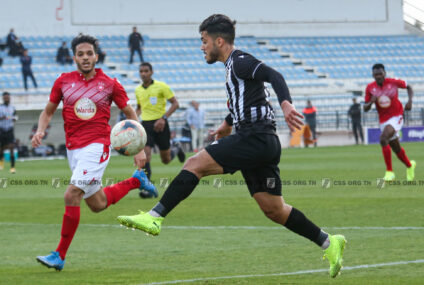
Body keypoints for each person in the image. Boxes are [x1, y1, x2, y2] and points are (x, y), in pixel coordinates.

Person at [117, 14, 346, 278]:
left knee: (194, 164)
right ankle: (329, 242)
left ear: (219, 41)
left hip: (255, 137)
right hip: (263, 142)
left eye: (204, 41)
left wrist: (286, 103)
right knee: (274, 209)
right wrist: (227, 124)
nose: (201, 47)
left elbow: (274, 75)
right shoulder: (231, 69)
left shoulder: (240, 61)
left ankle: (155, 216)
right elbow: (248, 98)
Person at [33, 34, 156, 271]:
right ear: (74, 57)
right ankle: (136, 181)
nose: (86, 57)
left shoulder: (110, 83)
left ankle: (59, 255)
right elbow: (48, 111)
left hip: (98, 146)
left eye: (89, 53)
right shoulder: (63, 81)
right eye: (81, 54)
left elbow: (131, 114)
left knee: (71, 195)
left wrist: (139, 148)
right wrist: (40, 131)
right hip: (74, 150)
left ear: (96, 56)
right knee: (97, 204)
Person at [135, 62, 186, 197]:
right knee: (145, 155)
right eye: (141, 71)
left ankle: (177, 148)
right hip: (145, 124)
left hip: (161, 124)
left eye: (146, 71)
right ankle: (148, 188)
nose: (143, 73)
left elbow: (175, 104)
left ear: (152, 72)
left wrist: (163, 118)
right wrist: (133, 119)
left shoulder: (161, 86)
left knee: (166, 160)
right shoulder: (138, 90)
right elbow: (140, 107)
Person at [364, 63, 416, 181]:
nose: (378, 76)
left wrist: (410, 101)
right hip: (383, 119)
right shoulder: (370, 88)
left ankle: (389, 172)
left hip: (397, 115)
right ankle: (409, 165)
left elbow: (409, 87)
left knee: (383, 139)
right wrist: (371, 102)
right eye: (376, 74)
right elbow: (365, 108)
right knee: (395, 147)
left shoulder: (393, 82)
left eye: (380, 74)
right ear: (373, 75)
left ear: (384, 73)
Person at [0, 92, 17, 173]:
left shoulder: (12, 108)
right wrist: (1, 118)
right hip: (1, 129)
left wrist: (14, 119)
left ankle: (12, 167)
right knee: (1, 148)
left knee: (11, 147)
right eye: (5, 97)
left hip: (9, 129)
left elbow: (16, 117)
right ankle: (1, 162)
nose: (7, 99)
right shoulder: (0, 107)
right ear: (3, 98)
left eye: (8, 97)